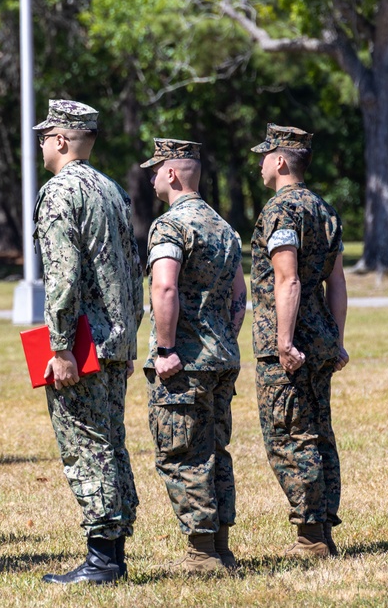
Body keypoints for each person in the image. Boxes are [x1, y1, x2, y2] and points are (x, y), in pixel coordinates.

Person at [33, 99, 143, 584]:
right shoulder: (113, 190)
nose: (39, 144)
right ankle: (112, 553)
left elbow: (62, 278)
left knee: (86, 445)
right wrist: (129, 335)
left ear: (61, 140)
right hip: (115, 341)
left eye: (44, 135)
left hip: (83, 345)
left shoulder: (60, 193)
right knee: (111, 443)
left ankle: (102, 560)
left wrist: (59, 349)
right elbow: (134, 271)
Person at [140, 138, 247, 573]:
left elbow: (164, 286)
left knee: (183, 454)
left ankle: (203, 554)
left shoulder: (170, 225)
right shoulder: (224, 227)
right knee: (215, 450)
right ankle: (221, 547)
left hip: (184, 363)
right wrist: (222, 337)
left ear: (172, 174)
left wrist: (166, 348)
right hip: (220, 358)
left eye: (155, 170)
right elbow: (239, 295)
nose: (150, 178)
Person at [249, 123, 349, 558]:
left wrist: (284, 342)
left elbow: (287, 280)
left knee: (290, 436)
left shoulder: (280, 211)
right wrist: (337, 339)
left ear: (282, 161)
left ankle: (310, 538)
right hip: (321, 338)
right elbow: (338, 283)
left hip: (290, 344)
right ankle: (323, 528)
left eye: (265, 155)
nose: (260, 162)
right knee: (318, 432)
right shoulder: (325, 210)